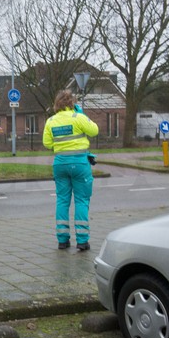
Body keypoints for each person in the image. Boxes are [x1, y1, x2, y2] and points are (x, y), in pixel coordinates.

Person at [42, 90, 99, 251]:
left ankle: (62, 240)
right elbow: (94, 131)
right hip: (80, 163)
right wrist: (82, 114)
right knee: (81, 200)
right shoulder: (78, 118)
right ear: (72, 103)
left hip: (60, 163)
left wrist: (60, 147)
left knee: (62, 200)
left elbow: (47, 143)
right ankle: (82, 241)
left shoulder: (51, 121)